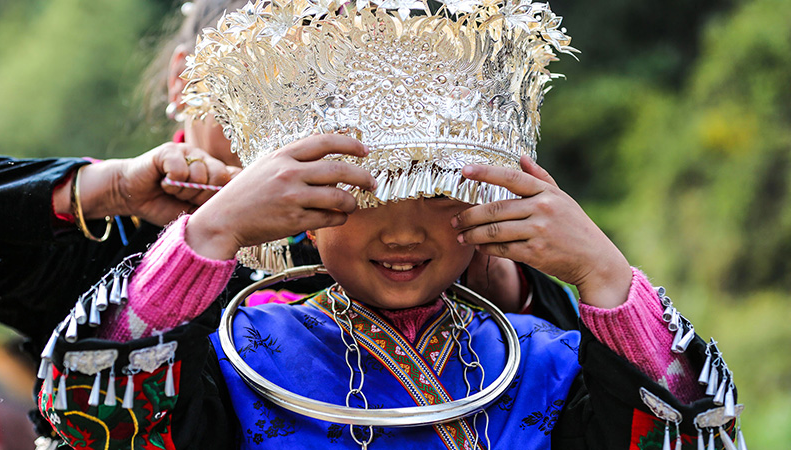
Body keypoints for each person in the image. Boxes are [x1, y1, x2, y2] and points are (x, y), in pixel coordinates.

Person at [36, 1, 748, 449]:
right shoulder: (237, 359)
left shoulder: (549, 364)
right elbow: (92, 424)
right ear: (303, 213)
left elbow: (699, 435)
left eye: (437, 194)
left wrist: (606, 278)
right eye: (364, 196)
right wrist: (210, 234)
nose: (403, 233)